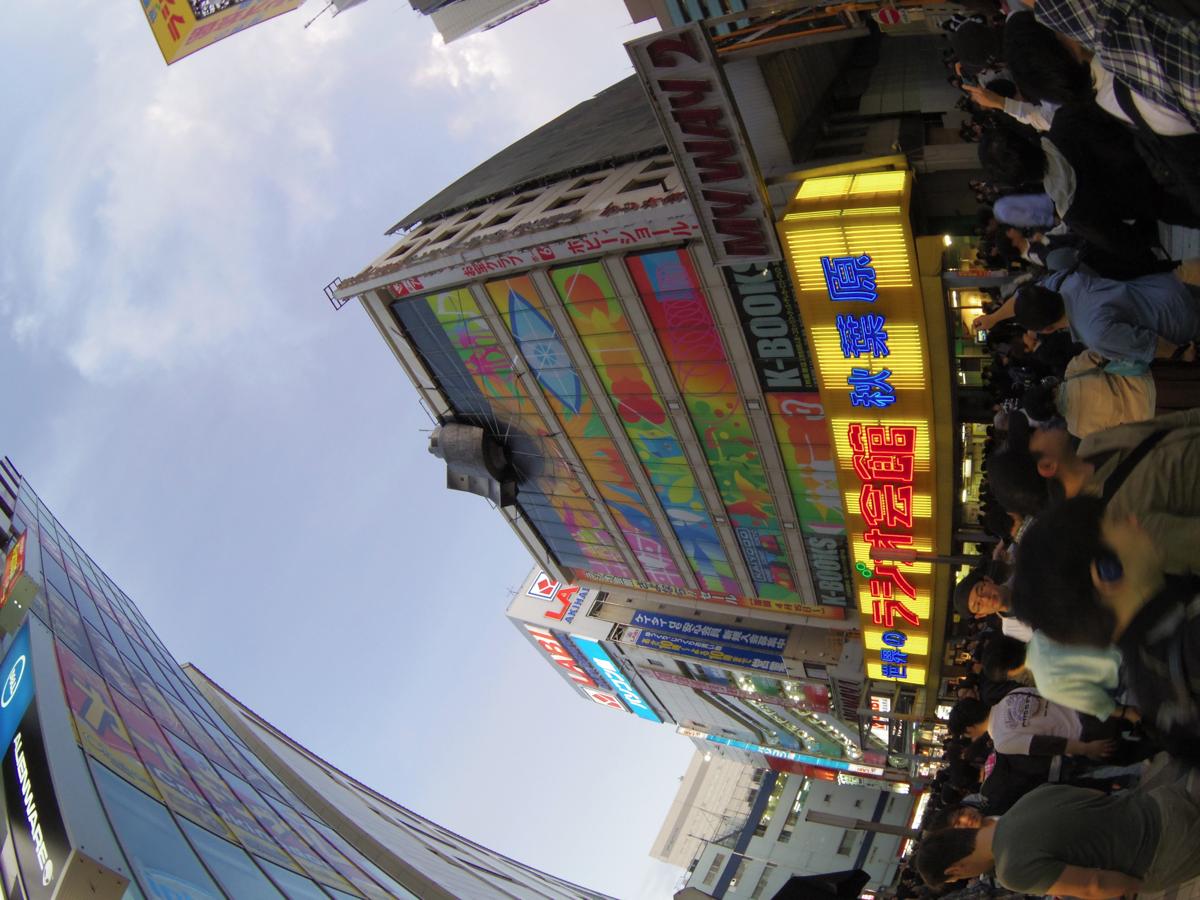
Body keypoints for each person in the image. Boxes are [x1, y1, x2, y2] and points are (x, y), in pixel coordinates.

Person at [1011, 498, 1200, 762]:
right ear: (1105, 570)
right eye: (1117, 521)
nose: (1134, 520)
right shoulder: (1191, 641)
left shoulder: (1154, 694)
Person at [990, 408, 1200, 573]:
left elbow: (1176, 421)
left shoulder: (1093, 443)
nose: (1039, 428)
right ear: (1047, 466)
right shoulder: (1117, 526)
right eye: (1032, 435)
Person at [1012, 273, 1200, 367]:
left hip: (1179, 320)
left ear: (1047, 329)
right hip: (1166, 288)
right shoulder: (1073, 280)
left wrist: (1181, 355)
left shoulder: (1095, 334)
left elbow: (1150, 344)